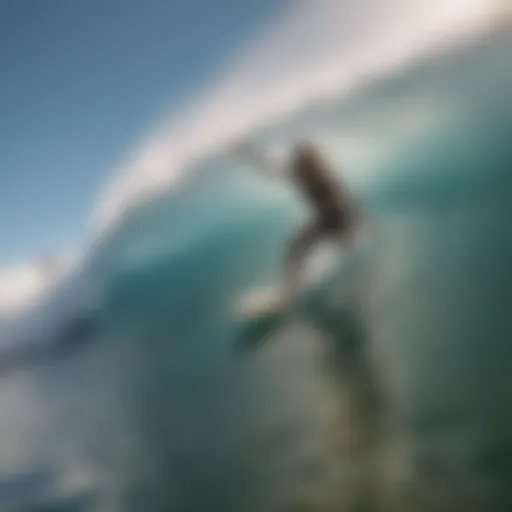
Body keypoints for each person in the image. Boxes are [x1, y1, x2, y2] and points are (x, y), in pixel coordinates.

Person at [233, 139, 360, 302]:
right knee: (292, 249)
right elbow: (269, 168)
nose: (300, 168)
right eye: (300, 163)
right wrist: (247, 153)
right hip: (325, 220)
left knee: (332, 244)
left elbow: (346, 202)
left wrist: (351, 229)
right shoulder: (300, 173)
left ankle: (300, 283)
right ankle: (293, 287)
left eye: (304, 163)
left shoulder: (323, 176)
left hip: (337, 218)